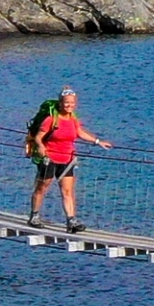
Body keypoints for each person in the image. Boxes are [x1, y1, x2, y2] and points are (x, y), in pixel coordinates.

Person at [26, 89, 108, 231]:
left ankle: (71, 221)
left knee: (67, 191)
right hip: (49, 158)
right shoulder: (51, 119)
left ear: (75, 104)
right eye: (66, 103)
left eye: (71, 103)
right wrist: (40, 146)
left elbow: (80, 133)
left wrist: (97, 141)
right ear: (60, 103)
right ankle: (34, 216)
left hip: (67, 159)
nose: (69, 106)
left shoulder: (73, 119)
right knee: (42, 188)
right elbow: (39, 137)